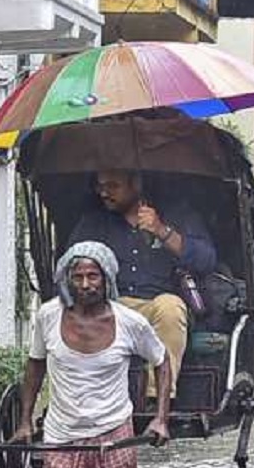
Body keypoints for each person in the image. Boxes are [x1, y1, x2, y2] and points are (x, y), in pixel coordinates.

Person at [11, 241, 172, 468]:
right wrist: (25, 421)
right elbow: (35, 364)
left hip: (114, 432)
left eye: (93, 276)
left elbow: (162, 360)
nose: (85, 285)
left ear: (106, 278)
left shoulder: (130, 323)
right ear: (68, 280)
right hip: (62, 434)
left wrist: (161, 419)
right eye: (78, 277)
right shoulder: (48, 316)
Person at [68, 170, 217, 397]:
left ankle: (156, 399)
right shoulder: (94, 222)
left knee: (170, 307)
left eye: (113, 185)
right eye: (100, 186)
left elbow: (206, 260)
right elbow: (70, 265)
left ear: (135, 184)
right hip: (112, 304)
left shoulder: (177, 214)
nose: (105, 192)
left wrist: (161, 231)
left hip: (159, 305)